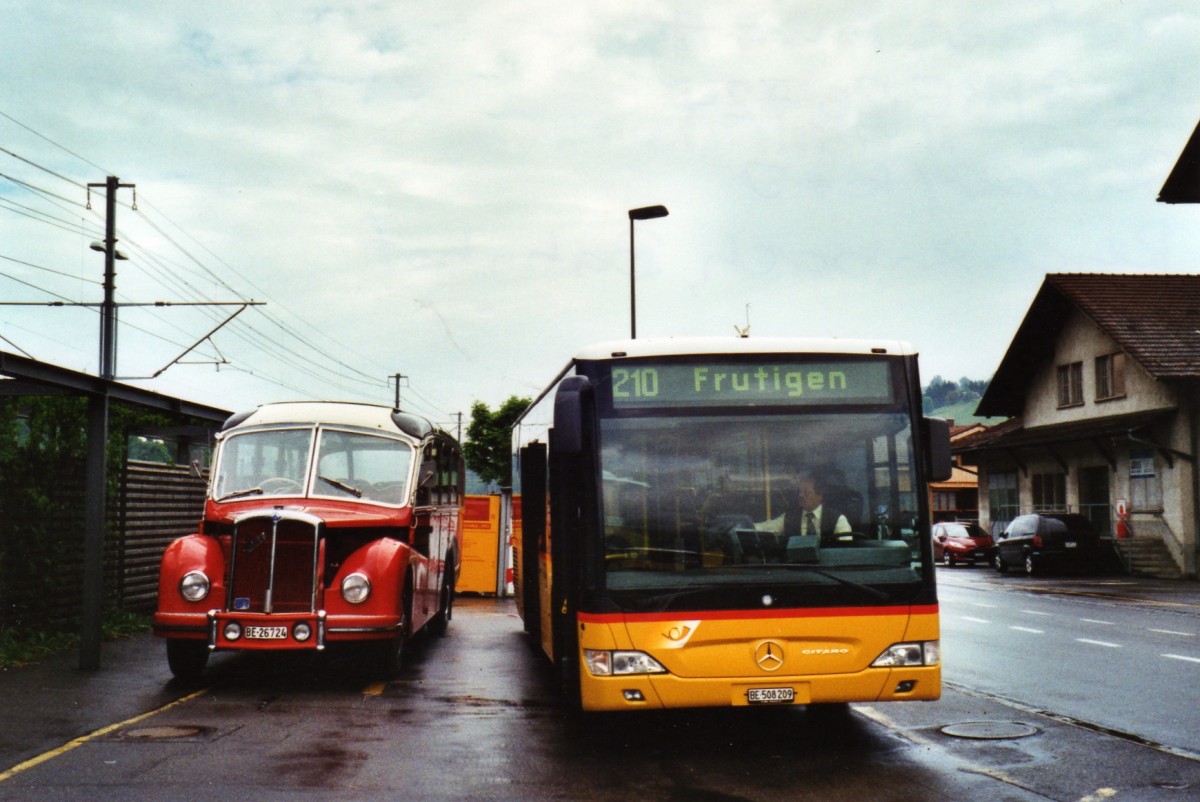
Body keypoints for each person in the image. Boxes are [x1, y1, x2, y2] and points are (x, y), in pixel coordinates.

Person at [780, 468, 852, 542]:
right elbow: (768, 528)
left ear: (820, 495)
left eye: (806, 492)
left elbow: (846, 549)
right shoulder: (788, 518)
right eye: (799, 491)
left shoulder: (838, 519)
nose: (800, 495)